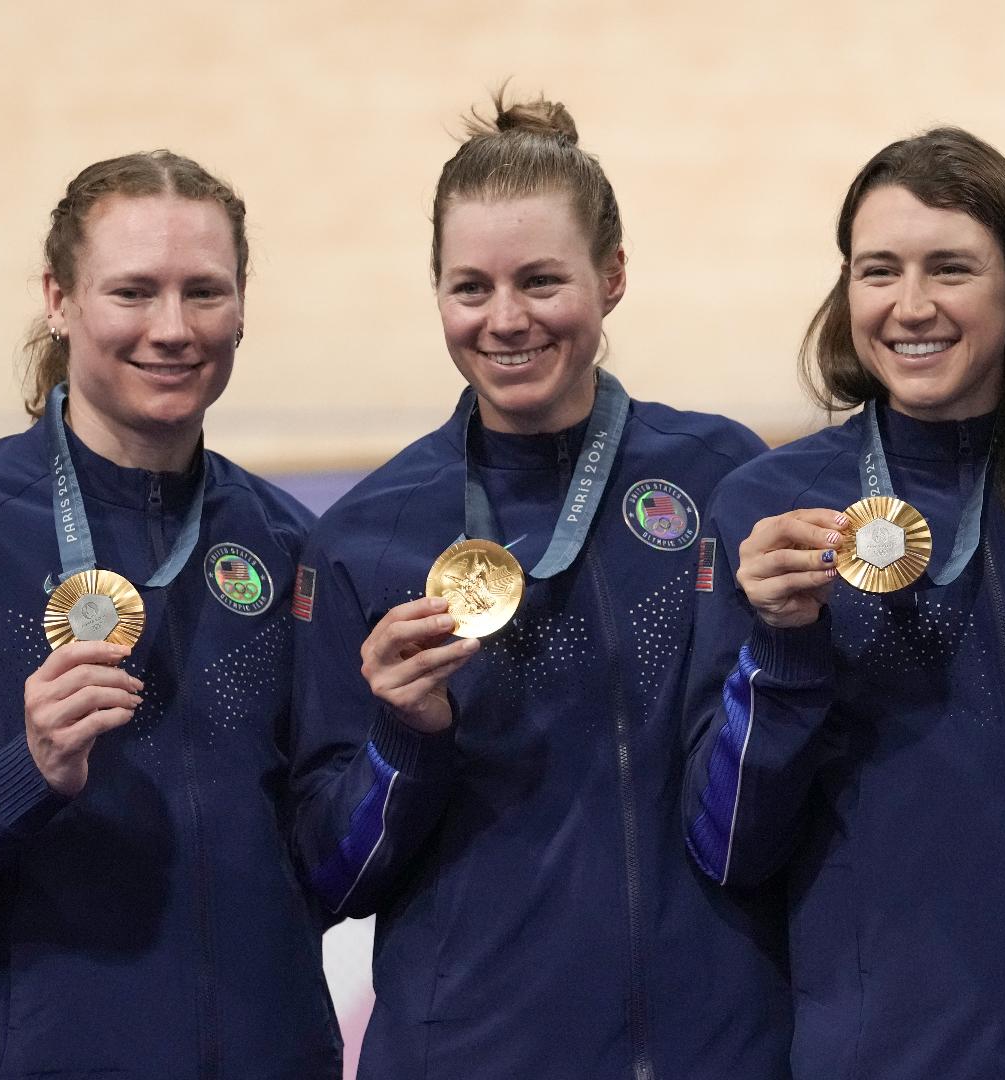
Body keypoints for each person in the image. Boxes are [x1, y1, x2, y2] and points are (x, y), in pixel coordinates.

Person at [0, 152, 339, 1077]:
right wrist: (20, 775)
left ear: (244, 306)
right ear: (58, 298)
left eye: (204, 291)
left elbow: (331, 849)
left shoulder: (292, 547)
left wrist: (412, 737)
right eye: (132, 291)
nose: (173, 329)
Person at [681, 126, 1005, 1079]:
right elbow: (727, 849)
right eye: (877, 271)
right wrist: (784, 652)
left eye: (950, 268)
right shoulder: (772, 515)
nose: (909, 306)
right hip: (896, 1056)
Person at [287, 95, 790, 1078]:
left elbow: (781, 781)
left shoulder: (723, 478)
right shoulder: (369, 536)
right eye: (469, 287)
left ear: (612, 278)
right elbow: (329, 871)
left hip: (715, 1048)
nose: (506, 319)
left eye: (541, 281)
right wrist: (403, 736)